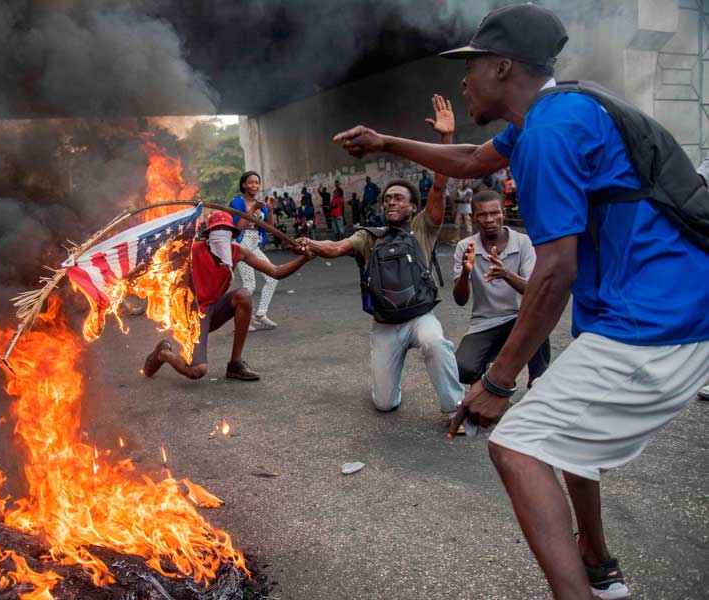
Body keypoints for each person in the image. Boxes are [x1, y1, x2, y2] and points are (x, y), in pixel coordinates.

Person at [332, 5, 709, 598]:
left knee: (516, 445)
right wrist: (387, 140)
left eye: (472, 66)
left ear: (504, 67)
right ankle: (598, 563)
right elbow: (472, 160)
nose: (463, 80)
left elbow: (555, 272)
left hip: (655, 324)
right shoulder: (557, 113)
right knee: (566, 440)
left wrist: (499, 381)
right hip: (638, 313)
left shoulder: (550, 134)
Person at [303, 94, 463, 419]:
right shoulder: (368, 236)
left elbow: (439, 187)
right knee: (384, 404)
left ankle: (455, 408)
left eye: (398, 199)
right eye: (387, 198)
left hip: (420, 317)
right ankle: (391, 386)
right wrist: (309, 245)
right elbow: (334, 248)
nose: (391, 202)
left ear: (412, 206)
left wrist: (445, 137)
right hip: (385, 325)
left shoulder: (423, 228)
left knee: (435, 342)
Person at [143, 211, 313, 381]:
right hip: (192, 317)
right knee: (197, 371)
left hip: (214, 310)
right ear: (208, 234)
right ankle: (164, 353)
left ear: (232, 234)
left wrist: (304, 259)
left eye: (226, 229)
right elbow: (159, 260)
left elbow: (276, 272)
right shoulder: (193, 250)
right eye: (217, 229)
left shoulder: (237, 252)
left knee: (243, 295)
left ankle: (235, 364)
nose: (221, 233)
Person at [453, 190, 550, 387]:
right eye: (482, 214)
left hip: (520, 318)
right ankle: (487, 382)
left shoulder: (523, 242)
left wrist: (505, 273)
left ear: (503, 213)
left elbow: (534, 290)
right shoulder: (465, 246)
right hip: (485, 321)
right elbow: (460, 300)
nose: (489, 219)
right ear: (473, 217)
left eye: (494, 213)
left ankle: (537, 381)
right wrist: (465, 273)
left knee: (538, 315)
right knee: (462, 368)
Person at [229, 171, 280, 330]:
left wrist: (270, 210)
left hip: (254, 245)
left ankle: (261, 314)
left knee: (273, 278)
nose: (254, 186)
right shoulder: (237, 202)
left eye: (257, 183)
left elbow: (270, 229)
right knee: (249, 285)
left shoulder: (261, 204)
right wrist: (253, 209)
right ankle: (243, 320)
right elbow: (239, 227)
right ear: (244, 185)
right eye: (250, 182)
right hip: (241, 246)